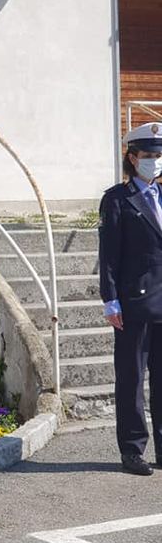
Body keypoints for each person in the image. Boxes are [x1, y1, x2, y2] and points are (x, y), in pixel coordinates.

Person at [99, 122, 162, 477]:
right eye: (149, 156)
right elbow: (109, 255)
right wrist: (111, 300)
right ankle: (133, 450)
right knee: (132, 379)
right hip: (134, 302)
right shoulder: (117, 200)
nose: (155, 162)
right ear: (132, 157)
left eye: (159, 155)